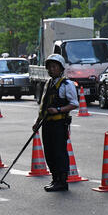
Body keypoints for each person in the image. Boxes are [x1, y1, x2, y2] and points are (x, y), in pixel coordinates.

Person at [32, 54, 78, 192]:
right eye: (49, 67)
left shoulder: (66, 84)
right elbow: (43, 106)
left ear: (61, 68)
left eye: (54, 67)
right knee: (49, 152)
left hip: (59, 124)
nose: (51, 70)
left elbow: (74, 104)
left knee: (59, 152)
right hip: (47, 123)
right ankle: (55, 178)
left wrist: (58, 109)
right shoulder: (48, 83)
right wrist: (37, 121)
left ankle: (62, 181)